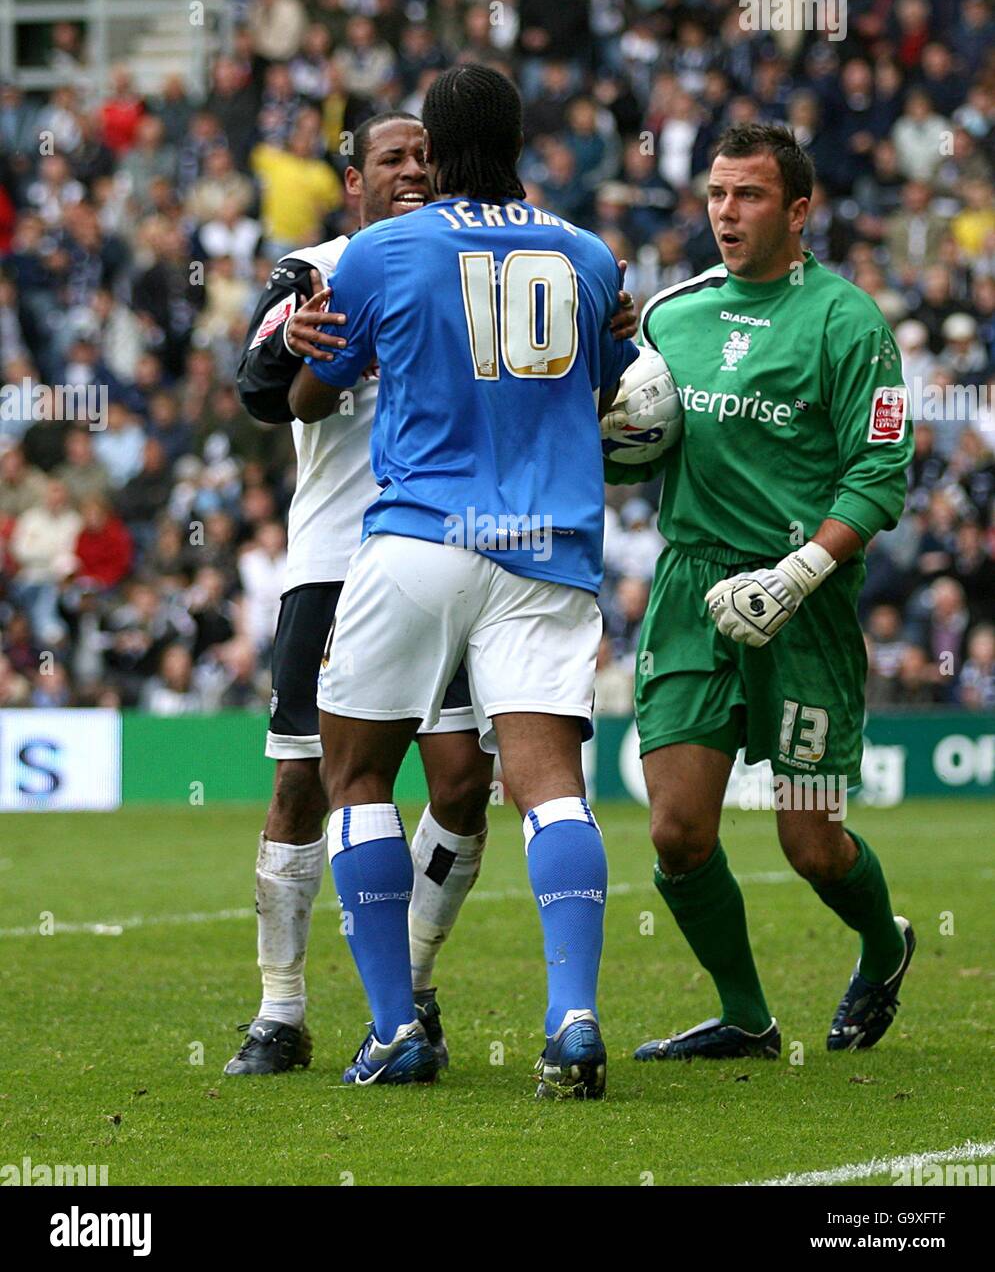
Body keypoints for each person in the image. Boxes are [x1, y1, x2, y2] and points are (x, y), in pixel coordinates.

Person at [232, 106, 639, 1078]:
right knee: (302, 780)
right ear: (352, 178)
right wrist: (295, 340)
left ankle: (405, 989)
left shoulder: (463, 256)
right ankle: (279, 1010)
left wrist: (599, 327)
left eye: (423, 154)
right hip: (338, 561)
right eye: (390, 158)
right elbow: (255, 390)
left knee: (460, 783)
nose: (411, 168)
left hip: (431, 553)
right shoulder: (319, 268)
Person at [609, 123, 915, 1063]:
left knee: (810, 845)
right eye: (715, 194)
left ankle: (882, 944)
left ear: (796, 209)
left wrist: (796, 574)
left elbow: (879, 474)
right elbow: (631, 453)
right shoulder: (671, 313)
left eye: (746, 197)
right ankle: (745, 1018)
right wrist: (605, 429)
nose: (725, 214)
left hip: (805, 603)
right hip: (693, 587)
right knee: (676, 832)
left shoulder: (847, 322)